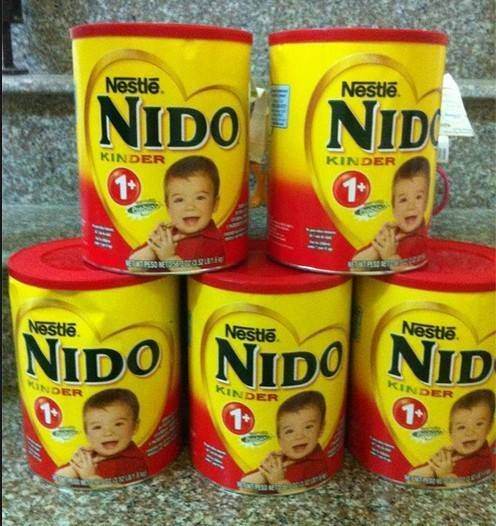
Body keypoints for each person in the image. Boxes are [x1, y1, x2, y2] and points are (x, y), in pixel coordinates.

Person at [129, 155, 224, 270]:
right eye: (179, 200)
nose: (189, 207)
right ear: (168, 207)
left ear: (215, 204)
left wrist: (169, 258)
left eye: (200, 198)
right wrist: (154, 247)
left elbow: (202, 277)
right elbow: (133, 266)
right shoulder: (168, 234)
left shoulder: (214, 241)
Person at [54, 389, 148, 485]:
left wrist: (90, 477)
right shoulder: (92, 454)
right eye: (97, 427)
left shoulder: (133, 461)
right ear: (87, 434)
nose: (108, 433)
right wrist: (78, 463)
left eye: (118, 424)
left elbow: (120, 491)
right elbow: (59, 478)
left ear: (135, 427)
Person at [351, 156, 430, 271]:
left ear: (426, 203)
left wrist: (391, 257)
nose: (411, 206)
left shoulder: (419, 239)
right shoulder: (393, 232)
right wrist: (378, 246)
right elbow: (354, 266)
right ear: (394, 209)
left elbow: (412, 274)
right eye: (403, 200)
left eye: (418, 197)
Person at [239, 391, 328, 492]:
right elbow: (244, 485)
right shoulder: (280, 459)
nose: (299, 436)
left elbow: (306, 495)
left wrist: (279, 482)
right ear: (279, 440)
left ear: (321, 429)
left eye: (308, 427)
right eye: (289, 431)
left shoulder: (317, 463)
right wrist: (265, 471)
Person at [407, 389, 494, 487]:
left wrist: (446, 476)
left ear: (489, 427)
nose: (469, 433)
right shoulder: (448, 454)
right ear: (451, 434)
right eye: (461, 427)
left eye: (479, 424)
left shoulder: (484, 458)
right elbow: (411, 479)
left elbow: (472, 491)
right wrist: (434, 467)